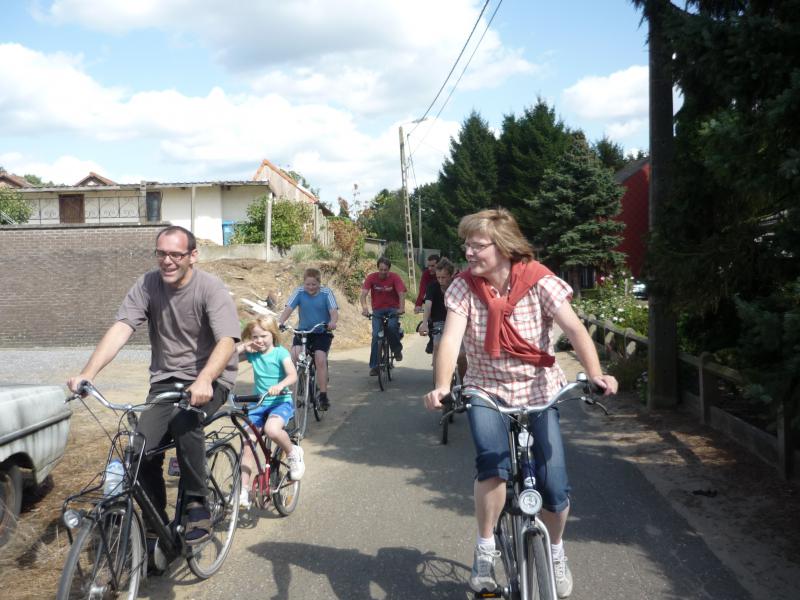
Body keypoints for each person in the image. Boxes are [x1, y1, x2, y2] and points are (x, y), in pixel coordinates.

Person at [422, 209, 618, 597]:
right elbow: (451, 339)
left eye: (477, 246)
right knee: (492, 466)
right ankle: (485, 549)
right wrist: (443, 385)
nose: (468, 252)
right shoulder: (462, 287)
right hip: (486, 389)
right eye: (467, 245)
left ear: (504, 247)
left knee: (555, 486)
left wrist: (596, 374)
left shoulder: (539, 280)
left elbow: (574, 328)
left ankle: (557, 551)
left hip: (539, 390)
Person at [67, 225, 241, 545]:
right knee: (139, 448)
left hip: (210, 378)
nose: (168, 261)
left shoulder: (211, 289)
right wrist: (88, 373)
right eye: (161, 254)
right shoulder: (147, 285)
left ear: (193, 256)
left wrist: (204, 379)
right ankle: (156, 525)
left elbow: (227, 340)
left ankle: (196, 504)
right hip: (166, 382)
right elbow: (122, 327)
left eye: (176, 254)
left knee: (186, 420)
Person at [237, 317, 302, 508]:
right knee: (247, 445)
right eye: (255, 336)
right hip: (260, 405)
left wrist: (279, 386)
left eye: (263, 336)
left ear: (272, 335)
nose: (259, 340)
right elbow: (229, 357)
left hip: (280, 402)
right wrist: (245, 346)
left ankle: (292, 452)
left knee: (272, 430)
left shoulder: (280, 353)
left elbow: (292, 375)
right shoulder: (253, 353)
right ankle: (243, 491)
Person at [277, 268, 338, 410]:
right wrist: (281, 322)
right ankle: (300, 387)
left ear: (319, 283)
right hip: (303, 331)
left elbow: (333, 311)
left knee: (320, 359)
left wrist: (332, 322)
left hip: (322, 331)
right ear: (303, 283)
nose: (310, 287)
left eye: (314, 284)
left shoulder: (326, 293)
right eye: (307, 284)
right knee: (295, 354)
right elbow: (288, 308)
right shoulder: (299, 292)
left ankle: (323, 396)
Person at [417, 257, 466, 382]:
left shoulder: (458, 287)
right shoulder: (432, 287)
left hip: (457, 323)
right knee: (437, 345)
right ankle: (439, 382)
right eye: (438, 277)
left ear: (451, 275)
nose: (440, 281)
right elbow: (428, 305)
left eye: (443, 277)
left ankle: (465, 383)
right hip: (439, 322)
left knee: (461, 355)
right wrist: (424, 324)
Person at [360, 256, 406, 376]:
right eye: (381, 269)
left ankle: (396, 350)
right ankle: (375, 366)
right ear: (378, 268)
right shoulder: (371, 277)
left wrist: (401, 308)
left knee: (391, 327)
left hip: (393, 309)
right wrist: (365, 309)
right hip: (378, 310)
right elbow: (363, 295)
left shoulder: (395, 277)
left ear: (389, 269)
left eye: (385, 270)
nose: (383, 272)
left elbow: (401, 293)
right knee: (376, 336)